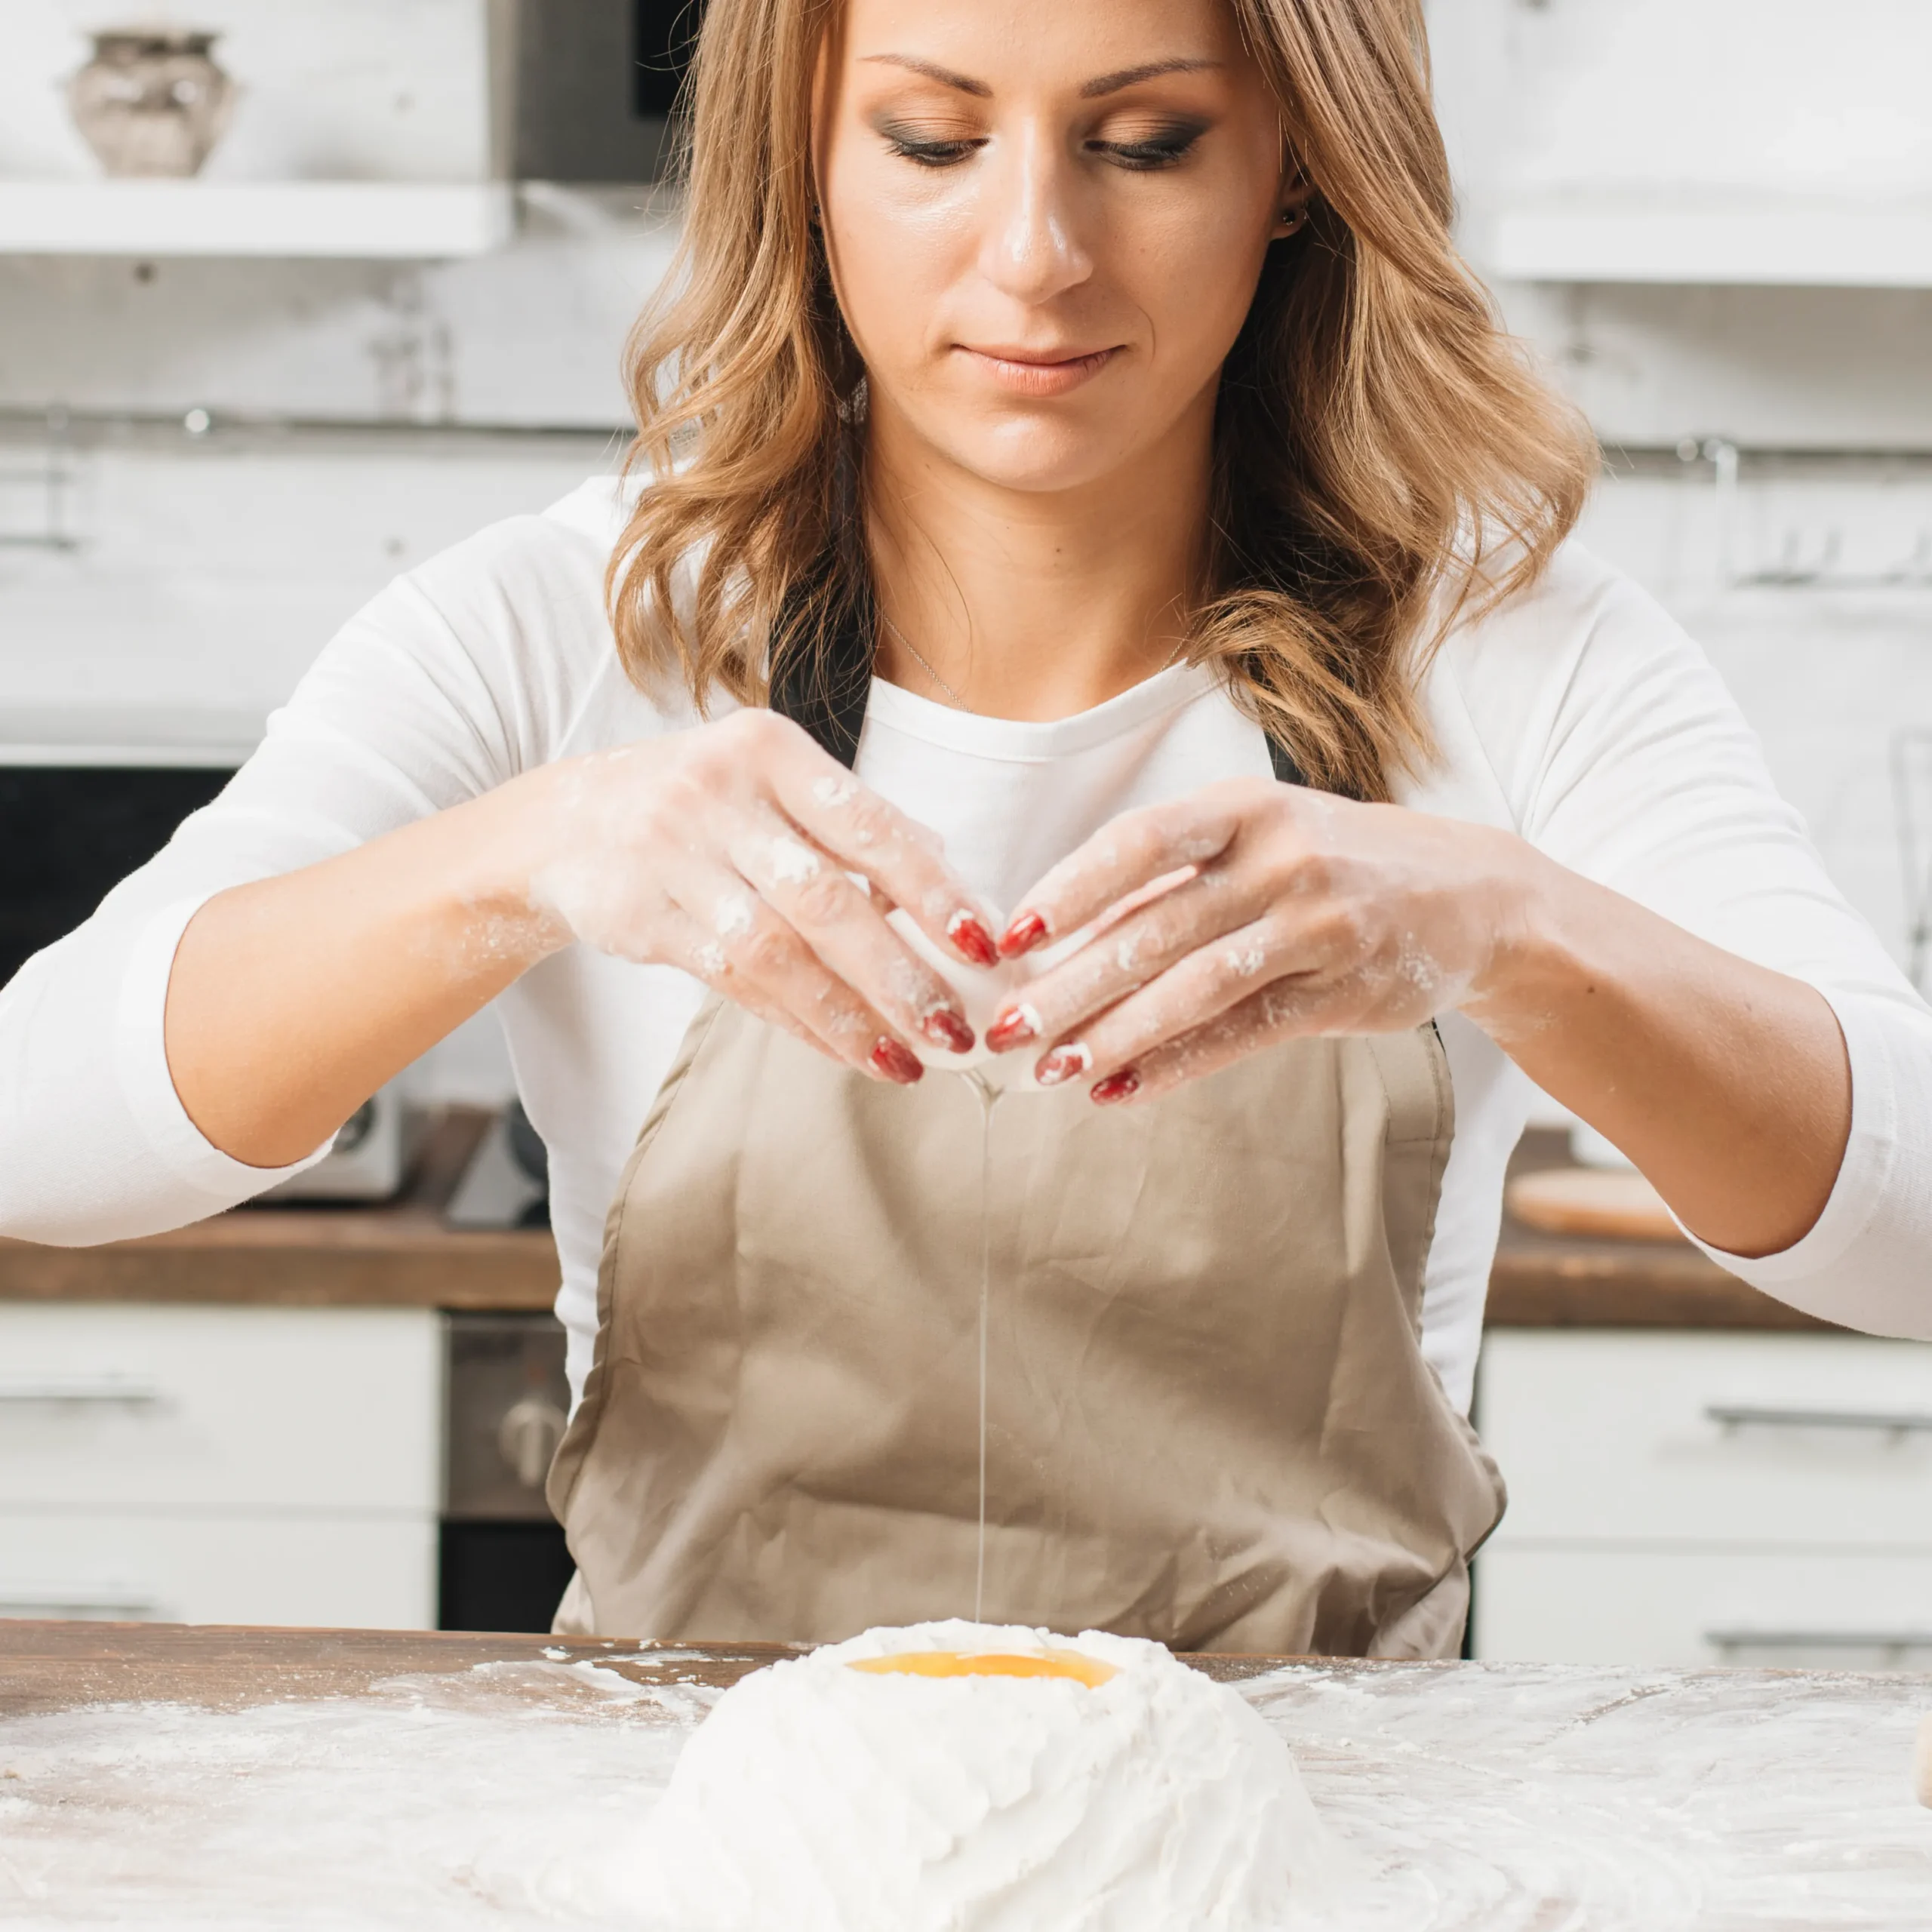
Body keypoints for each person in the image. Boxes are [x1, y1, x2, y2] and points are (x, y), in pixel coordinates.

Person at [5, 0, 1929, 1657]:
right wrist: (524, 854)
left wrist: (1513, 928)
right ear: (808, 155)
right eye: (929, 138)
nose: (1033, 252)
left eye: (1144, 143)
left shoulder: (1515, 662)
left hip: (1304, 1857)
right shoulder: (561, 631)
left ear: (1293, 160)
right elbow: (41, 1130)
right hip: (708, 1849)